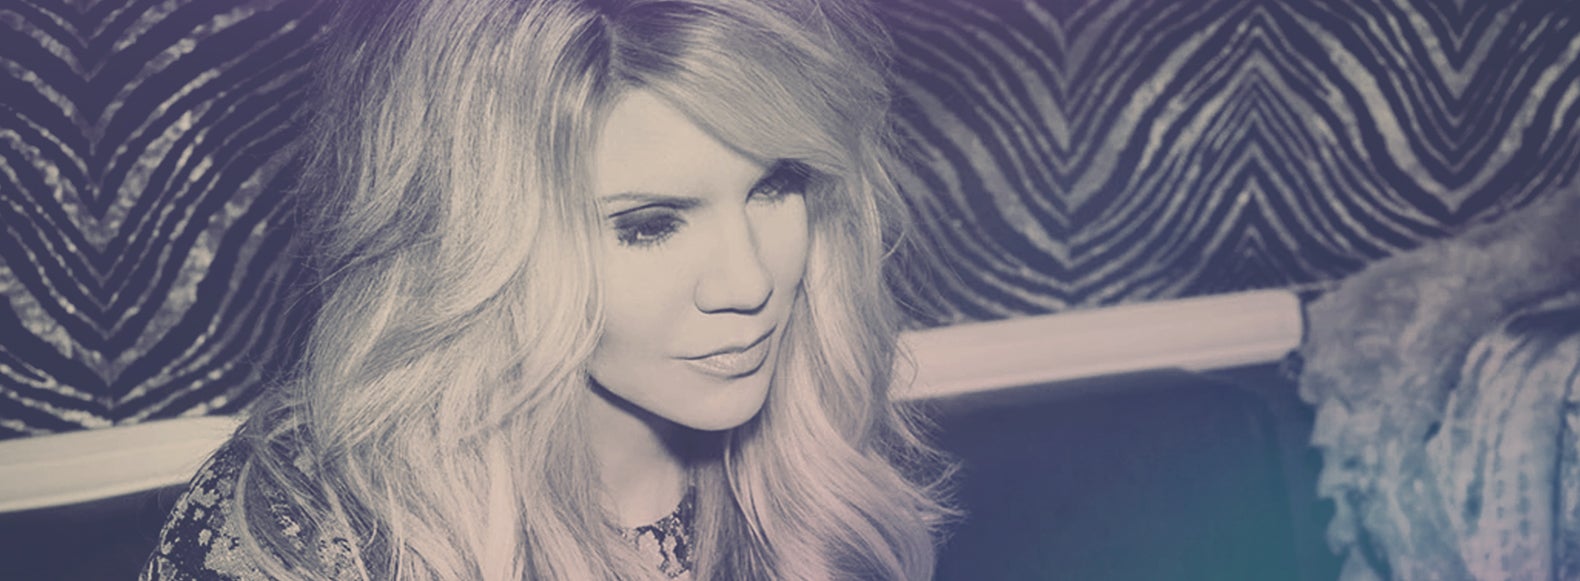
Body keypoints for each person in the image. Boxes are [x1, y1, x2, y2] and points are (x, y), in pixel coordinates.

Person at [140, 0, 954, 579]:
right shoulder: (303, 532)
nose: (749, 282)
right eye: (649, 225)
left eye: (775, 186)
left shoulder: (820, 464)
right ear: (477, 243)